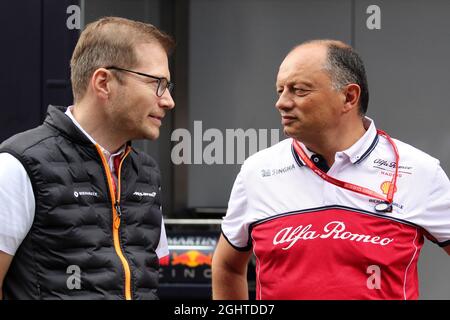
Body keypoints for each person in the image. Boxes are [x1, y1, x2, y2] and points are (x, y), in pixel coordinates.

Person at [212, 39, 450, 300]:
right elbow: (227, 266)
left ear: (349, 97)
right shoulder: (256, 172)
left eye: (299, 90)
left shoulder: (419, 171)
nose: (281, 102)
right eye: (280, 90)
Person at [0, 17, 175, 300]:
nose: (168, 100)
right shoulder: (19, 165)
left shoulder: (147, 173)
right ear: (104, 82)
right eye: (157, 83)